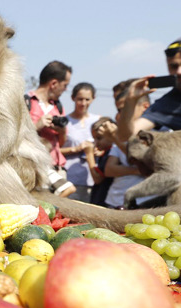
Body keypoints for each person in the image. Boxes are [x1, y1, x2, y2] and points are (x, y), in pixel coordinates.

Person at [117, 36, 181, 142]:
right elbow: (125, 137)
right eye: (174, 66)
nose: (180, 71)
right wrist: (130, 101)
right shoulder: (166, 105)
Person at [26, 60, 75, 197]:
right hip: (35, 168)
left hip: (57, 168)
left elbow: (62, 142)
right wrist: (36, 126)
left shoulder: (58, 107)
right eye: (65, 85)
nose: (65, 89)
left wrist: (61, 131)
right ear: (54, 83)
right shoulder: (25, 102)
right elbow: (16, 136)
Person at [104, 89, 155, 209]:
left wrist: (115, 139)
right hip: (115, 201)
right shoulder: (122, 134)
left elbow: (151, 169)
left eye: (124, 109)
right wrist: (137, 170)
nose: (120, 115)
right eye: (118, 110)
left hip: (146, 204)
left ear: (145, 107)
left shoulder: (162, 133)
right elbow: (109, 169)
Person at [60, 82, 101, 202]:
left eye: (87, 99)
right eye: (80, 99)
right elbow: (54, 150)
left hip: (92, 179)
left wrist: (99, 151)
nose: (83, 103)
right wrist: (75, 149)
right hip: (70, 180)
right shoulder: (64, 121)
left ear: (93, 99)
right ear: (73, 98)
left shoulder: (98, 120)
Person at [87, 117, 117, 206]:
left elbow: (98, 179)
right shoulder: (105, 153)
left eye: (99, 138)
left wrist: (89, 155)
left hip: (105, 200)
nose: (95, 143)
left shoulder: (111, 154)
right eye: (94, 139)